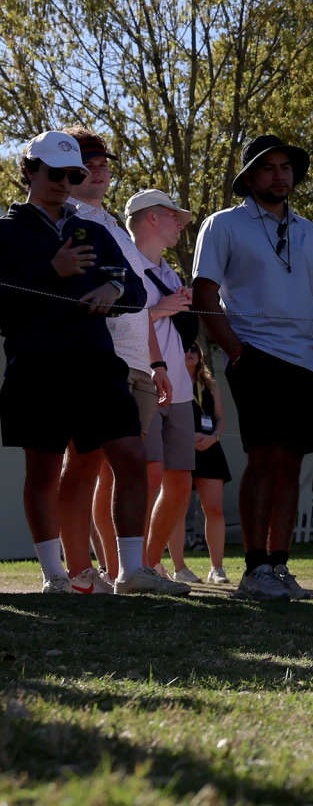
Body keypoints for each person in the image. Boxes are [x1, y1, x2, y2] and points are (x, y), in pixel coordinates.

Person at [0, 131, 168, 594]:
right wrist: (50, 273)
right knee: (43, 469)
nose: (64, 182)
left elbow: (135, 290)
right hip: (36, 366)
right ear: (29, 171)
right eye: (55, 173)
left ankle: (132, 571)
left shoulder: (93, 229)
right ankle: (55, 576)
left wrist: (114, 290)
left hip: (97, 362)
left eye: (73, 174)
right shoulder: (6, 232)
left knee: (131, 457)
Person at [191, 133, 313, 600]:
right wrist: (236, 351)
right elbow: (204, 296)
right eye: (269, 167)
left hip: (303, 363)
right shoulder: (223, 225)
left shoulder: (309, 231)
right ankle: (254, 569)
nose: (280, 175)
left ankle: (279, 565)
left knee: (292, 463)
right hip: (254, 353)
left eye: (286, 167)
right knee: (264, 457)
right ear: (250, 176)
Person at [124, 189, 201, 579]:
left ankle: (150, 565)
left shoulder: (168, 269)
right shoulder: (126, 262)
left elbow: (169, 318)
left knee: (180, 482)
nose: (180, 226)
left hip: (181, 387)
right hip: (142, 379)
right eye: (175, 217)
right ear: (151, 218)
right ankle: (128, 565)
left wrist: (179, 303)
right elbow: (121, 321)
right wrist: (163, 309)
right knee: (147, 475)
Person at [176, 343, 232, 584]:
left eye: (194, 349)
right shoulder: (171, 379)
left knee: (214, 509)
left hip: (209, 448)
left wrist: (213, 438)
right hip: (180, 447)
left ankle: (216, 568)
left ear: (200, 356)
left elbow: (220, 418)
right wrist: (184, 438)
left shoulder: (210, 384)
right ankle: (179, 567)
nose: (190, 353)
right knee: (176, 509)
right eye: (185, 349)